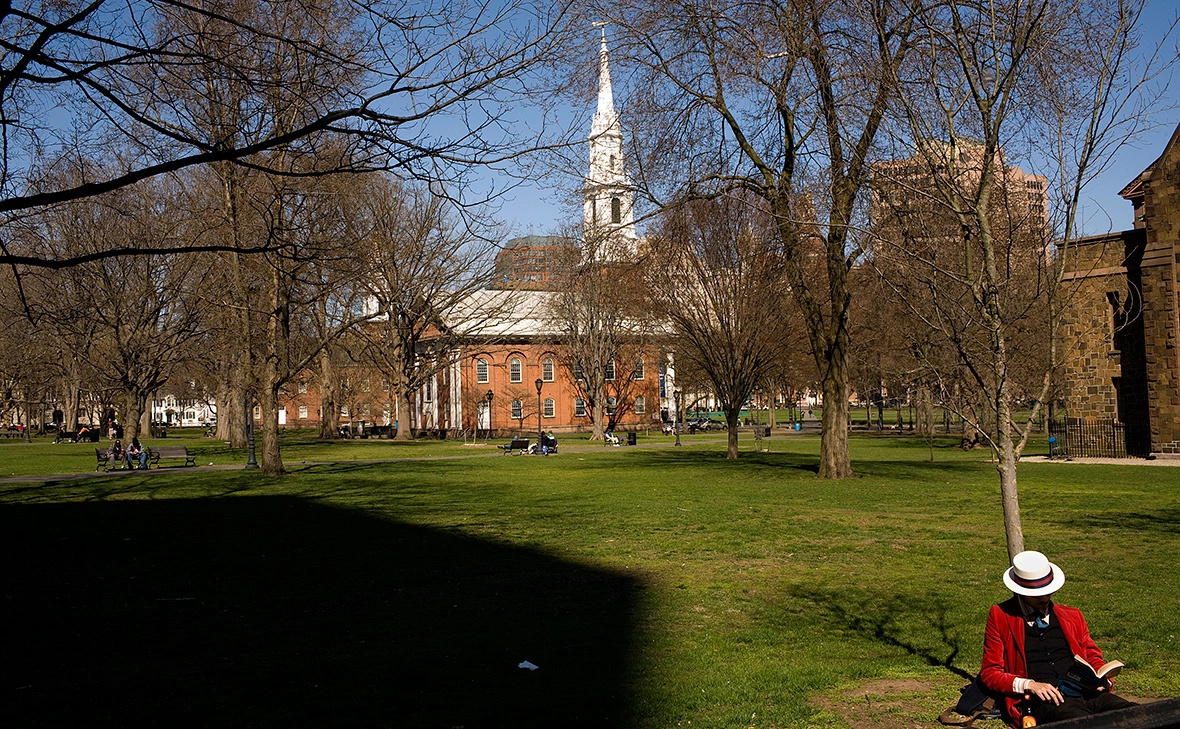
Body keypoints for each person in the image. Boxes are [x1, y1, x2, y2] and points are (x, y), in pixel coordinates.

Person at [980, 551, 1136, 725]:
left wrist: (1104, 679)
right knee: (1083, 723)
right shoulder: (1001, 616)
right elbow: (990, 673)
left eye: (1048, 591)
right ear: (1021, 591)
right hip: (1047, 700)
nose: (1045, 598)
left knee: (1137, 714)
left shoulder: (1072, 615)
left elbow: (1093, 656)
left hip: (1088, 692)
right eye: (1037, 594)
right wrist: (1030, 684)